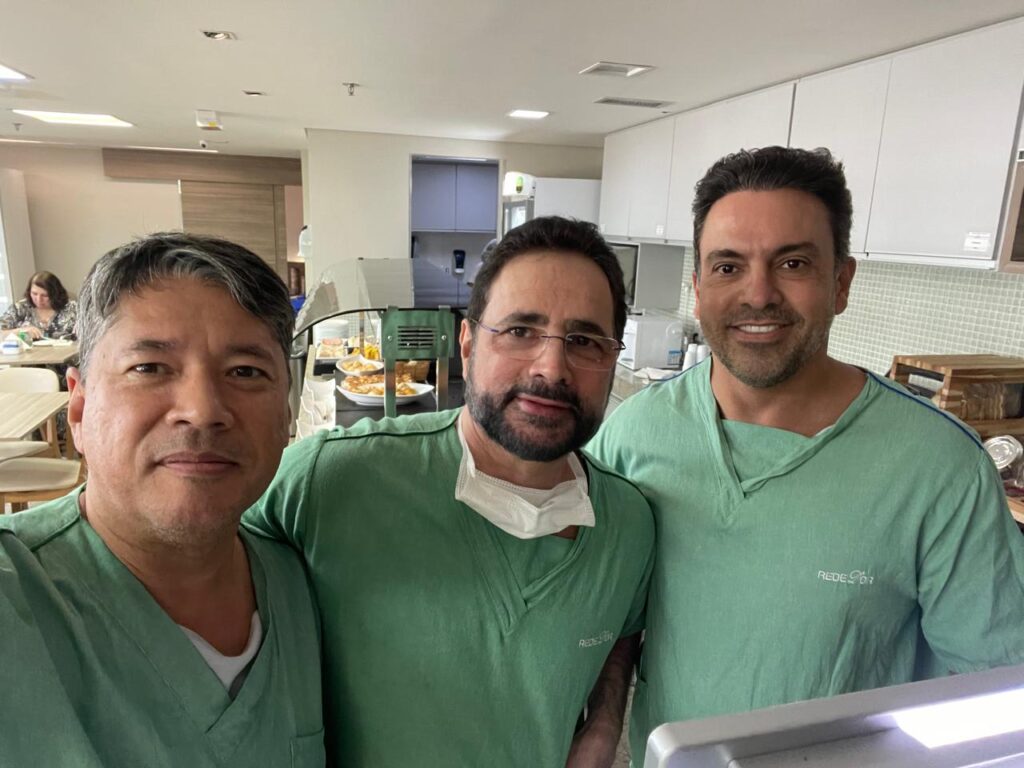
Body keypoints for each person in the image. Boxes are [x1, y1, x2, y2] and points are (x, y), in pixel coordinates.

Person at [589, 146, 1024, 759]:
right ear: (699, 288)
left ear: (841, 283)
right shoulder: (635, 436)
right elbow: (598, 618)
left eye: (792, 263)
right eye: (728, 266)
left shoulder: (937, 466)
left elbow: (997, 686)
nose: (758, 294)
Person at [245, 216, 654, 767]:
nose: (552, 368)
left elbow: (621, 627)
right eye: (520, 330)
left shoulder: (629, 522)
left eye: (584, 341)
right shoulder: (331, 481)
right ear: (467, 344)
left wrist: (604, 721)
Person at [0, 233, 325, 766]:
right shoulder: (17, 601)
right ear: (78, 409)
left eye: (245, 372)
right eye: (149, 368)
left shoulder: (301, 588)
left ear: (287, 415)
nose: (203, 410)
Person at [0, 270, 78, 340]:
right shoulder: (19, 308)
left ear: (55, 294)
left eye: (45, 295)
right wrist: (19, 331)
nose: (38, 299)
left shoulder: (72, 308)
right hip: (29, 352)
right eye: (34, 294)